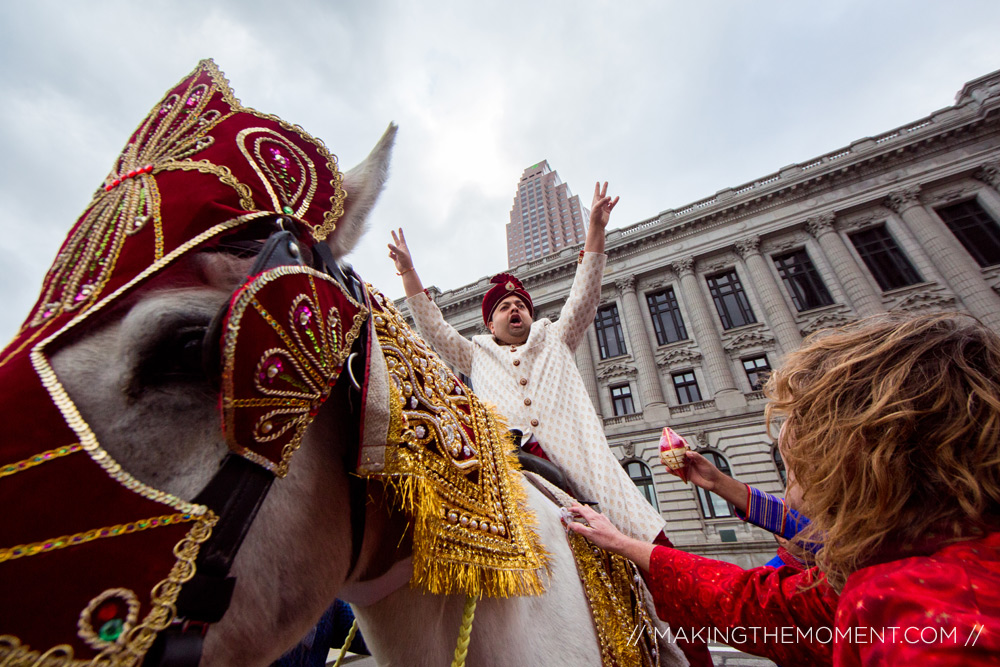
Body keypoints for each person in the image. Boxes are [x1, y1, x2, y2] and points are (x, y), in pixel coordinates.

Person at [568, 313, 1000, 666]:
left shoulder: (915, 609)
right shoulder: (919, 544)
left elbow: (753, 605)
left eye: (796, 439)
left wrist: (622, 543)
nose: (785, 453)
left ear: (848, 459)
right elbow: (798, 531)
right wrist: (716, 481)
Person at [387, 182, 667, 546]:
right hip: (513, 469)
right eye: (504, 307)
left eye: (520, 305)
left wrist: (596, 230)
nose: (514, 309)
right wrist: (409, 273)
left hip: (581, 466)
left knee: (646, 541)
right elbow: (436, 330)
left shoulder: (557, 336)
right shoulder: (475, 353)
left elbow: (585, 292)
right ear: (490, 324)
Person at [680, 447, 816, 567]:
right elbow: (789, 520)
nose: (787, 489)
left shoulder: (777, 578)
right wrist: (717, 482)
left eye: (794, 473)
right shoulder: (828, 550)